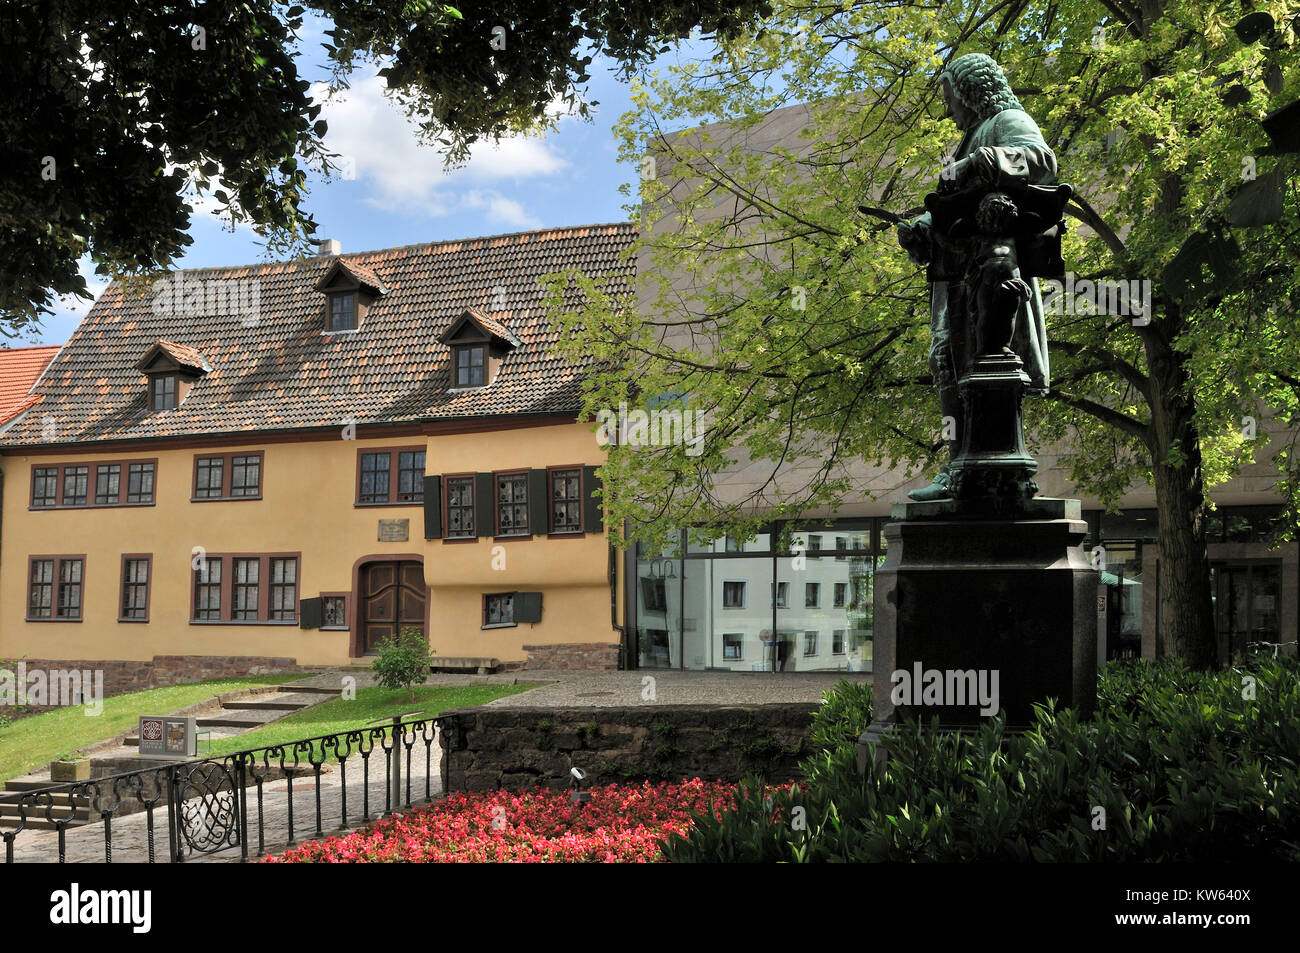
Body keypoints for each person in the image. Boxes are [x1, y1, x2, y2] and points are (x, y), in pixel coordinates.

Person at [897, 53, 1055, 502]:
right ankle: (957, 464)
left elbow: (1041, 161)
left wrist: (982, 161)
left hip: (989, 272)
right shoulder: (966, 137)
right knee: (948, 360)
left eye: (950, 98)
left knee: (981, 363)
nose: (948, 110)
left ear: (969, 91)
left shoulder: (1007, 120)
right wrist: (925, 228)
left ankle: (982, 467)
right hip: (957, 276)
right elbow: (959, 206)